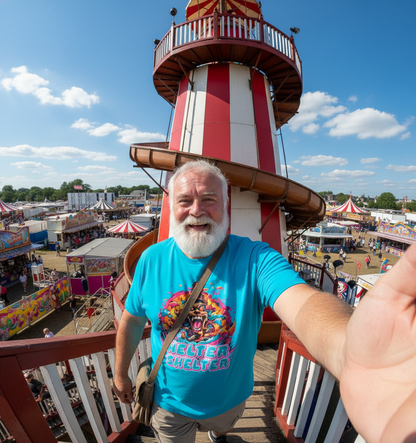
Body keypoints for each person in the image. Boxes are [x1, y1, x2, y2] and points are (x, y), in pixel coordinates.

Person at [114, 161, 416, 443]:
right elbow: (132, 319)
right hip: (168, 404)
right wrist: (119, 374)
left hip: (229, 402)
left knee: (223, 429)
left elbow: (300, 301)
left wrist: (346, 346)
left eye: (209, 199)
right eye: (185, 200)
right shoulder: (152, 260)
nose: (197, 210)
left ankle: (217, 434)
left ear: (225, 207)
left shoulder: (255, 258)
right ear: (171, 207)